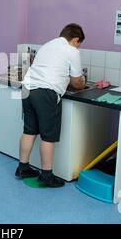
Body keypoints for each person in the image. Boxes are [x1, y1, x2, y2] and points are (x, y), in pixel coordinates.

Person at [16, 23, 86, 187]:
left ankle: (23, 168)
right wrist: (82, 84)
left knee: (29, 130)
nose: (78, 46)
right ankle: (46, 176)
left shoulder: (47, 45)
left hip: (28, 88)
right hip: (46, 93)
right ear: (75, 40)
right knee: (48, 136)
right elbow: (77, 81)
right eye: (79, 43)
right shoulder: (72, 51)